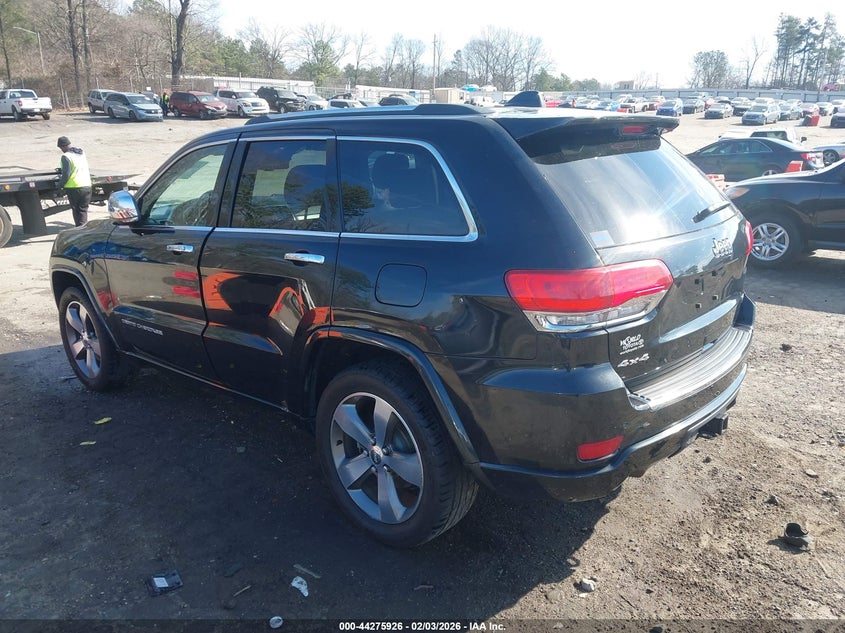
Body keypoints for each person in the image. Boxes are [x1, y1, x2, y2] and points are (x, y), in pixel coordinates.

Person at [57, 136, 92, 227]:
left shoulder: (66, 156)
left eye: (61, 148)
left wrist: (60, 185)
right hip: (86, 185)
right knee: (83, 210)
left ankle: (80, 231)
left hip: (75, 187)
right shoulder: (81, 152)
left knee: (77, 211)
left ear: (63, 146)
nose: (61, 150)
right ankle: (83, 228)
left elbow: (66, 174)